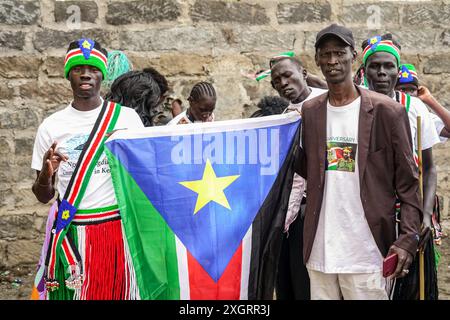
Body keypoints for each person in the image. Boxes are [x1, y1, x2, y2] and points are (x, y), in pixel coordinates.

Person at [296, 24, 422, 300]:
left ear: (353, 56)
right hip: (320, 251)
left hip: (367, 251)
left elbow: (409, 183)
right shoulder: (310, 112)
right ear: (316, 60)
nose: (332, 61)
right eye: (325, 54)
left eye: (339, 53)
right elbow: (306, 169)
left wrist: (407, 239)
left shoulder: (387, 112)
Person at [31, 38, 144, 300]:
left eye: (93, 69)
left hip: (118, 230)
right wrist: (48, 173)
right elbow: (43, 195)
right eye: (78, 68)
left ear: (102, 75)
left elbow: (147, 175)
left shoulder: (127, 119)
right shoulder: (51, 126)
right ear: (68, 74)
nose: (85, 74)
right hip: (74, 231)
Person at [361, 34, 440, 251]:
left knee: (408, 280)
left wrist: (425, 215)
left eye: (389, 66)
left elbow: (430, 167)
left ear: (398, 69)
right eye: (374, 66)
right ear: (364, 71)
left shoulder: (414, 107)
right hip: (366, 212)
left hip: (409, 210)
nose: (382, 73)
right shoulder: (356, 106)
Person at [269, 53, 327, 300]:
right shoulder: (286, 117)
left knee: (307, 285)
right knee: (287, 284)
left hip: (317, 210)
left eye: (287, 75)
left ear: (304, 74)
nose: (283, 83)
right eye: (276, 81)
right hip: (290, 214)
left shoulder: (327, 104)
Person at [395, 63, 450, 139]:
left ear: (418, 92)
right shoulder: (386, 113)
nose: (408, 94)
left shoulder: (422, 116)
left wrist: (429, 99)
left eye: (412, 90)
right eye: (402, 90)